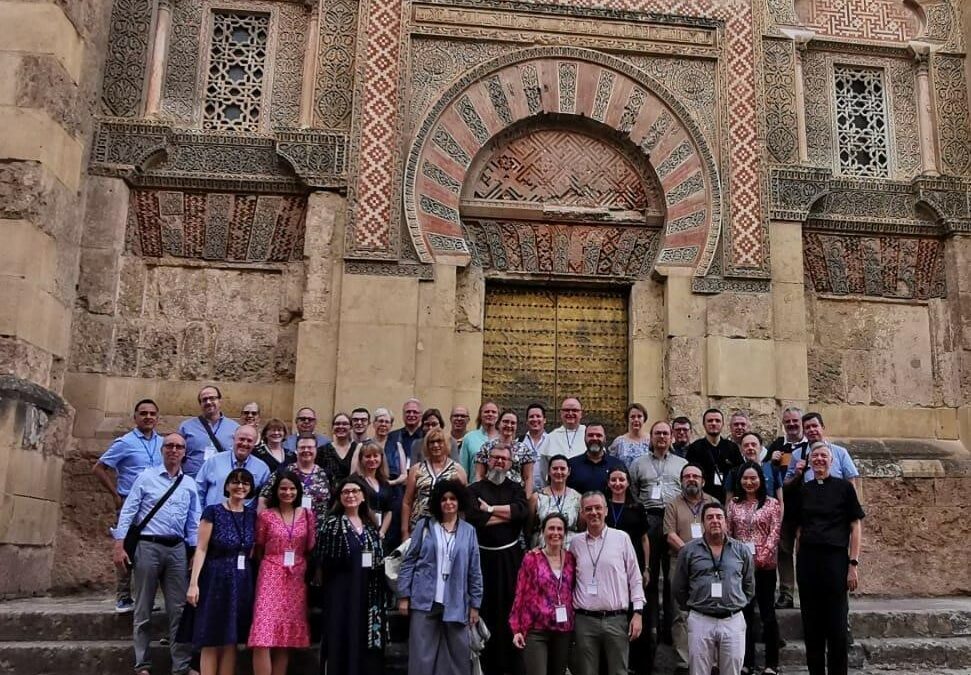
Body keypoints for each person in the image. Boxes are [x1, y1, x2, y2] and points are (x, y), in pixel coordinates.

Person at [112, 432, 201, 675]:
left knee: (179, 610)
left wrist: (193, 552)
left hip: (177, 550)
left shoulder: (189, 484)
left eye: (179, 447)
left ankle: (181, 666)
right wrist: (119, 544)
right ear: (162, 450)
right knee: (143, 607)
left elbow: (193, 522)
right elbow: (129, 511)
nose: (174, 450)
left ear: (184, 452)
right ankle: (142, 664)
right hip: (148, 546)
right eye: (169, 446)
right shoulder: (146, 478)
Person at [792, 442, 865, 675]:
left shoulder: (844, 488)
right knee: (811, 626)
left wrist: (853, 564)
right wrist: (798, 562)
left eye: (824, 455)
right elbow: (799, 531)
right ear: (811, 462)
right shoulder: (804, 490)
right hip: (808, 561)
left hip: (835, 560)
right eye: (816, 456)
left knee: (836, 627)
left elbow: (855, 526)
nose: (820, 459)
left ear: (832, 461)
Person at [397, 479, 483, 675]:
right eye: (444, 499)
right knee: (421, 656)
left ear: (460, 501)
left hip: (456, 601)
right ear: (438, 502)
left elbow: (474, 570)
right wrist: (403, 596)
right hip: (424, 599)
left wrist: (475, 605)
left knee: (457, 657)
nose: (448, 502)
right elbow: (409, 561)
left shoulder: (469, 532)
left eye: (453, 498)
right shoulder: (424, 526)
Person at [94, 398, 164, 613]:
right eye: (143, 413)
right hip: (130, 504)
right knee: (126, 548)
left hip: (154, 506)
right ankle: (123, 597)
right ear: (135, 417)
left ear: (158, 418)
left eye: (152, 413)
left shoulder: (162, 443)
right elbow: (99, 468)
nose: (148, 417)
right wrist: (115, 494)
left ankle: (146, 599)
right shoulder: (125, 442)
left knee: (148, 551)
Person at [186, 468, 257, 675]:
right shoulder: (213, 511)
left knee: (231, 639)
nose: (240, 487)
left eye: (245, 483)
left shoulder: (252, 516)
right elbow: (201, 548)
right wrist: (193, 583)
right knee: (211, 637)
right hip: (215, 579)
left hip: (241, 581)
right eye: (235, 482)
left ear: (250, 488)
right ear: (227, 486)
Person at [468, 443, 529, 675]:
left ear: (510, 463)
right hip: (482, 558)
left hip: (510, 559)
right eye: (495, 458)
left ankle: (510, 662)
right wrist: (506, 515)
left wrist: (491, 509)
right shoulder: (474, 489)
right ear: (487, 460)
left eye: (504, 459)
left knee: (509, 607)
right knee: (485, 608)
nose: (499, 462)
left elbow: (521, 513)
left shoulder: (515, 488)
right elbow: (474, 518)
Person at [672, 503, 755, 675]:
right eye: (710, 517)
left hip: (732, 619)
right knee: (699, 671)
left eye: (719, 517)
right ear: (703, 523)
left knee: (732, 670)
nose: (715, 521)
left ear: (726, 521)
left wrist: (736, 602)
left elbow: (749, 585)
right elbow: (679, 586)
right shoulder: (688, 551)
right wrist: (693, 606)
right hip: (701, 619)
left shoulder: (741, 551)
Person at [317, 476, 387, 675]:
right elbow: (323, 559)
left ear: (363, 496)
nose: (350, 495)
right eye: (345, 492)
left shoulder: (372, 527)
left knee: (364, 637)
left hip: (367, 591)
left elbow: (378, 560)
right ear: (339, 497)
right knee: (340, 635)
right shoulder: (330, 524)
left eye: (355, 491)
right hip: (340, 590)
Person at [569, 491, 644, 675]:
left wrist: (638, 613)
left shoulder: (622, 538)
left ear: (606, 511)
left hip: (616, 619)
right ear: (582, 513)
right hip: (584, 620)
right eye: (588, 509)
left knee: (619, 671)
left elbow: (635, 577)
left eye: (598, 508)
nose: (593, 512)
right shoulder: (575, 543)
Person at [248, 471, 316, 675]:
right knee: (263, 633)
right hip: (270, 571)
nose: (288, 492)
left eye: (292, 488)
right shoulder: (266, 516)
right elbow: (259, 546)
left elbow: (311, 545)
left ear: (298, 491)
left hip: (296, 575)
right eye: (283, 488)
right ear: (276, 491)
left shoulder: (307, 515)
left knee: (284, 638)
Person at [630, 420, 687, 648]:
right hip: (650, 519)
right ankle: (650, 626)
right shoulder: (638, 464)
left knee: (674, 576)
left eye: (665, 433)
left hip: (673, 519)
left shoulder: (682, 463)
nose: (661, 437)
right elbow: (633, 491)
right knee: (649, 574)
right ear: (651, 437)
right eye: (657, 433)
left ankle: (671, 630)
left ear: (671, 436)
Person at [727, 461, 782, 675]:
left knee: (768, 614)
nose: (749, 482)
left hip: (765, 566)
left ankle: (771, 664)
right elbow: (730, 534)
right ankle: (746, 662)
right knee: (744, 615)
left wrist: (761, 558)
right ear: (740, 481)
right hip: (740, 568)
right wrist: (738, 562)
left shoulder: (771, 504)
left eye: (753, 478)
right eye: (745, 478)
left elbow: (774, 533)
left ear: (761, 480)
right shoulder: (733, 504)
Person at [664, 463, 719, 674]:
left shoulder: (712, 502)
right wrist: (691, 553)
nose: (691, 479)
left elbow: (718, 530)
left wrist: (703, 555)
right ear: (681, 480)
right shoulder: (673, 505)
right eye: (687, 476)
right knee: (680, 613)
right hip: (680, 563)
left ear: (703, 480)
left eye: (696, 476)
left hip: (709, 563)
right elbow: (670, 534)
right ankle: (683, 661)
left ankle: (710, 660)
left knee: (710, 609)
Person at [509, 513, 576, 675]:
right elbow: (520, 593)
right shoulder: (531, 558)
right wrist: (516, 628)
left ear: (565, 533)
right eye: (551, 528)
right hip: (536, 629)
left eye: (560, 529)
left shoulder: (571, 558)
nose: (555, 532)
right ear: (542, 532)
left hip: (563, 630)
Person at [604, 467, 652, 675]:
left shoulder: (637, 507)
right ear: (608, 483)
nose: (617, 483)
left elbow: (644, 538)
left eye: (621, 480)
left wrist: (647, 567)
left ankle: (635, 662)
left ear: (627, 483)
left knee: (635, 611)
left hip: (633, 565)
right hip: (608, 567)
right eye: (613, 480)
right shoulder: (602, 506)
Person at [768, 406, 807, 609]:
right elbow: (767, 475)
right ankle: (786, 593)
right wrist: (772, 462)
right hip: (783, 509)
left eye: (795, 421)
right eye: (788, 422)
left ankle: (807, 592)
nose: (792, 425)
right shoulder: (777, 445)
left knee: (804, 552)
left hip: (806, 510)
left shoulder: (811, 446)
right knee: (783, 551)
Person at [402, 428, 468, 540]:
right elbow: (407, 502)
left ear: (446, 444)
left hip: (448, 528)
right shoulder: (416, 469)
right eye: (431, 442)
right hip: (419, 527)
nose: (435, 445)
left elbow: (464, 504)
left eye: (439, 441)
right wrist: (404, 532)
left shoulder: (457, 470)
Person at [262, 434, 332, 527]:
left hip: (319, 530)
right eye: (302, 447)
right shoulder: (283, 471)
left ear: (316, 450)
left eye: (310, 447)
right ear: (296, 450)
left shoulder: (326, 474)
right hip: (288, 530)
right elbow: (264, 497)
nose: (306, 450)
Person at [196, 425, 270, 509]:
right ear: (233, 439)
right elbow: (199, 490)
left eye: (249, 441)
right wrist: (201, 516)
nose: (244, 443)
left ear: (255, 443)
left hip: (243, 520)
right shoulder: (214, 461)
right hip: (213, 518)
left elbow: (264, 498)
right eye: (241, 439)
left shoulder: (262, 468)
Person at [180, 385, 240, 478]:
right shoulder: (186, 427)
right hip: (193, 481)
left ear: (220, 401)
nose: (208, 402)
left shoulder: (234, 428)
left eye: (212, 398)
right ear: (200, 404)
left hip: (222, 483)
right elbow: (178, 454)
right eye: (204, 400)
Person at [785, 412, 859, 487]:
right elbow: (785, 484)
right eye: (807, 427)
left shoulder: (840, 452)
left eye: (815, 426)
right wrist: (797, 476)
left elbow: (851, 482)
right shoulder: (797, 454)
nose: (811, 430)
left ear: (822, 427)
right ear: (803, 432)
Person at [685, 408, 743, 503]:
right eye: (710, 421)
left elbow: (740, 472)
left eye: (717, 421)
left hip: (728, 499)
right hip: (701, 500)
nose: (713, 423)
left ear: (723, 424)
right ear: (704, 424)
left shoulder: (732, 448)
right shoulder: (695, 448)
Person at [371, 407, 407, 553]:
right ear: (373, 424)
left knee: (391, 537)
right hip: (371, 494)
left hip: (393, 494)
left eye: (387, 422)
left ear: (391, 426)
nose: (383, 424)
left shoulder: (397, 445)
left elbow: (404, 475)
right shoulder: (365, 445)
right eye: (380, 421)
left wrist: (390, 483)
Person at [476, 409, 537, 495]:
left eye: (513, 423)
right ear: (498, 424)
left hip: (515, 496)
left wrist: (525, 500)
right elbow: (480, 475)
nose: (509, 425)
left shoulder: (524, 449)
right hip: (491, 494)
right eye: (505, 421)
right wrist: (481, 494)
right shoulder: (487, 447)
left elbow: (528, 477)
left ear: (516, 426)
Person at [531, 454, 582, 549]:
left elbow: (581, 529)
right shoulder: (537, 497)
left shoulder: (578, 498)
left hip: (569, 550)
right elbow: (529, 527)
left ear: (569, 471)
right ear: (549, 471)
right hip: (542, 549)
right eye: (555, 468)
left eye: (562, 469)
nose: (559, 472)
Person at [352, 440, 394, 544]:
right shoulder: (355, 481)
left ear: (381, 458)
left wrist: (382, 532)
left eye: (375, 456)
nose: (372, 459)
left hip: (380, 534)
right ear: (361, 459)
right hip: (359, 532)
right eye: (368, 456)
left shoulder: (385, 483)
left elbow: (388, 511)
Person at [567, 422, 624, 495]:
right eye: (590, 435)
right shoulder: (572, 465)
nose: (594, 438)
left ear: (605, 439)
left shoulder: (617, 464)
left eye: (598, 435)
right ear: (584, 438)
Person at [539, 397, 587, 482]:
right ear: (561, 413)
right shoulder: (551, 437)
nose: (570, 413)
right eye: (566, 410)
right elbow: (543, 471)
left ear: (581, 414)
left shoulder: (590, 434)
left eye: (575, 410)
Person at [726, 431, 782, 503]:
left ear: (761, 448)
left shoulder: (773, 470)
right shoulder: (734, 473)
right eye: (746, 445)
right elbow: (728, 502)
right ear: (741, 450)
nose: (750, 448)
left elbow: (780, 501)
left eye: (753, 445)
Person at [316, 412, 359, 489]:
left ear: (351, 427)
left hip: (351, 494)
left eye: (345, 424)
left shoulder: (358, 449)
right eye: (337, 424)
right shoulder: (322, 451)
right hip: (328, 495)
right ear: (332, 427)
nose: (341, 426)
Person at [460, 400, 500, 477]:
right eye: (486, 412)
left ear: (498, 416)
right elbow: (463, 469)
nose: (490, 414)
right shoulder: (469, 438)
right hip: (475, 487)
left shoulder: (504, 438)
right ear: (480, 415)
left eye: (494, 412)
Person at [609, 403, 651, 469]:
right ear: (627, 419)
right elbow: (612, 464)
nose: (636, 420)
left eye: (639, 416)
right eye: (632, 417)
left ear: (644, 419)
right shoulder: (619, 442)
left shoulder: (651, 441)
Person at [522, 402, 549, 492]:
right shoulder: (520, 441)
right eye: (531, 416)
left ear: (544, 420)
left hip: (547, 494)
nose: (535, 419)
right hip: (524, 494)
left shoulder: (552, 441)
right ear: (526, 421)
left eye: (538, 416)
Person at [388, 398, 424, 466]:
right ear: (403, 415)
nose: (411, 415)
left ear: (421, 416)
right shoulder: (392, 436)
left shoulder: (426, 436)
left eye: (415, 412)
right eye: (408, 412)